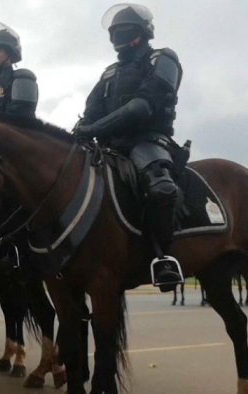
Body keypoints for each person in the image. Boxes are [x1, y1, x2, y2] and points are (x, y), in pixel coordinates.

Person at [74, 4, 184, 288]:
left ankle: (164, 257)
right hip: (109, 144)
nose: (119, 37)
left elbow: (142, 108)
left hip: (148, 140)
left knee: (161, 187)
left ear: (142, 32)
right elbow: (91, 110)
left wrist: (94, 129)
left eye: (126, 31)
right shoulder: (109, 73)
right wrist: (82, 131)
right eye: (116, 32)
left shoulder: (162, 59)